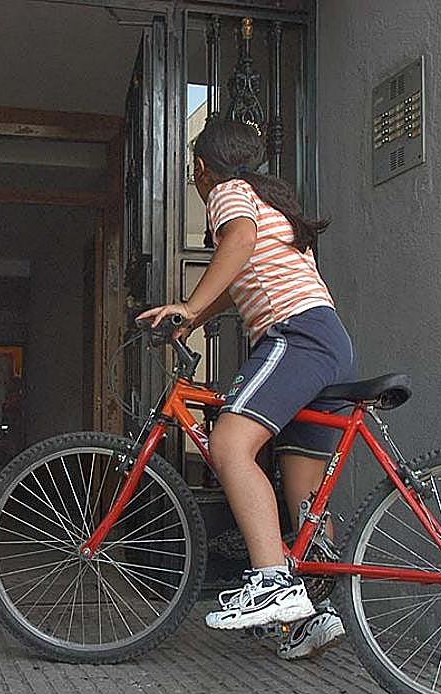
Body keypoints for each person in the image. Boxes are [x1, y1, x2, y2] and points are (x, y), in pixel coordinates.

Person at [139, 117, 353, 659]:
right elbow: (241, 281)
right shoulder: (270, 203)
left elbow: (237, 242)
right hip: (327, 340)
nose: (194, 179)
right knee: (303, 498)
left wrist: (187, 304)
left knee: (231, 445)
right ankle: (313, 618)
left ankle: (271, 585)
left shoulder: (231, 195)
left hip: (296, 334)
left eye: (192, 170)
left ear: (201, 168)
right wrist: (194, 318)